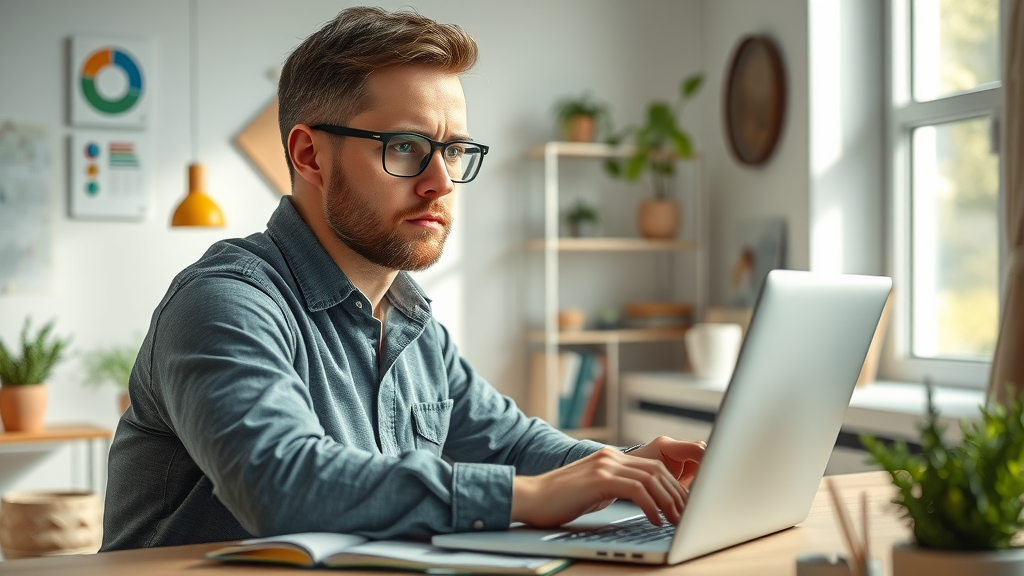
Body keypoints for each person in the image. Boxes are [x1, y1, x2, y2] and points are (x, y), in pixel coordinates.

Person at [101, 6, 705, 551]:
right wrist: (527, 498)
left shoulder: (413, 323)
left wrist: (628, 466)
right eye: (407, 146)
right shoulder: (224, 300)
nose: (440, 181)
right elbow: (279, 481)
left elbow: (514, 446)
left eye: (455, 150)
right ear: (310, 155)